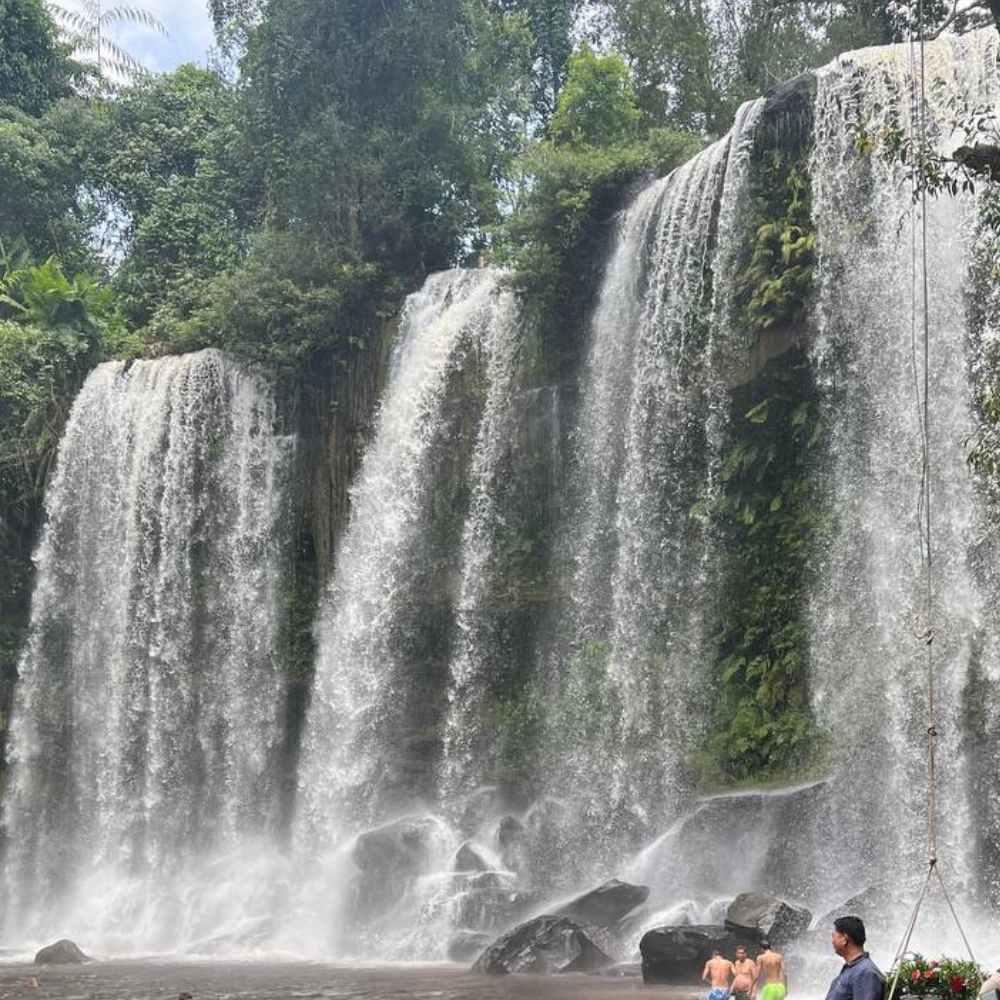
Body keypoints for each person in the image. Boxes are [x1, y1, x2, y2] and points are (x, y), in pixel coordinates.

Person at [825, 916, 885, 1000]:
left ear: (844, 939)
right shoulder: (853, 969)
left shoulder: (866, 973)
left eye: (833, 936)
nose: (832, 941)